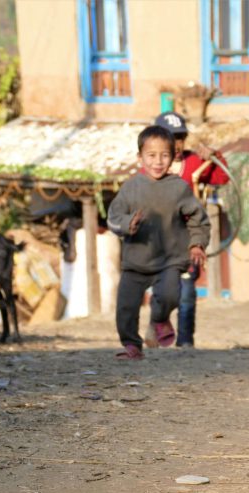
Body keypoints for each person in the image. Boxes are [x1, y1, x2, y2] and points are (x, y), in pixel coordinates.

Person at [107, 126, 211, 359]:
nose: (158, 161)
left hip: (170, 260)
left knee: (170, 296)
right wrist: (127, 224)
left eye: (164, 155)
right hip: (136, 261)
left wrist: (197, 244)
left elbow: (198, 219)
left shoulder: (179, 188)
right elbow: (113, 217)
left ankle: (159, 320)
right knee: (126, 307)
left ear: (174, 157)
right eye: (151, 156)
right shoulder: (131, 187)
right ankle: (132, 345)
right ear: (140, 157)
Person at [148, 111, 231, 348]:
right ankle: (158, 333)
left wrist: (214, 156)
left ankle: (185, 341)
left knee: (186, 291)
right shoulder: (151, 167)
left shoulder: (194, 162)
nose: (176, 144)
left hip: (188, 238)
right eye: (171, 138)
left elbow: (221, 178)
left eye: (180, 138)